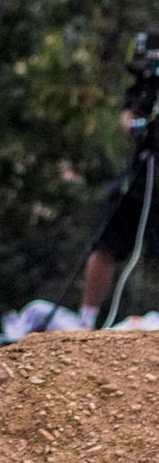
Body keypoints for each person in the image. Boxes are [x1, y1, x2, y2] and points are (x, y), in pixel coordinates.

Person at [78, 31, 159, 328]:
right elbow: (128, 115)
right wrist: (138, 124)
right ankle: (85, 321)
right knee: (105, 243)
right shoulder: (145, 84)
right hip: (141, 174)